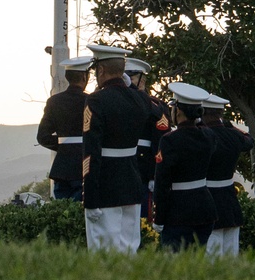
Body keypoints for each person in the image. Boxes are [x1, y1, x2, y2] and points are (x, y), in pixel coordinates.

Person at [81, 42, 149, 253]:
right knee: (130, 250)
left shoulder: (96, 100)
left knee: (104, 253)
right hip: (132, 183)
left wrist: (90, 197)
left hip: (105, 187)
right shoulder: (141, 99)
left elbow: (91, 154)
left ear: (100, 70)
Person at [153, 82, 217, 251]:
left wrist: (159, 218)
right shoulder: (209, 135)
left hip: (178, 212)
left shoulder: (169, 140)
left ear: (178, 111)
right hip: (204, 208)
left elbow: (162, 182)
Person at [201, 92, 252, 257]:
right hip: (229, 200)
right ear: (221, 114)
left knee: (212, 256)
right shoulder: (233, 135)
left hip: (208, 199)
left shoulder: (202, 136)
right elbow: (249, 140)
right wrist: (230, 126)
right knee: (231, 254)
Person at [36, 55, 92, 202]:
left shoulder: (54, 102)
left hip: (62, 167)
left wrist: (64, 146)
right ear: (85, 77)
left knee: (62, 210)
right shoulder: (92, 101)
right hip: (84, 165)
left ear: (67, 77)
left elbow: (42, 136)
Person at [125, 56, 171, 221]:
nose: (128, 80)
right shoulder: (115, 99)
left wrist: (154, 174)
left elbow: (161, 140)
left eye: (132, 76)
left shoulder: (155, 105)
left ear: (142, 80)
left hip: (143, 166)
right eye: (125, 76)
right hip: (120, 165)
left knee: (143, 217)